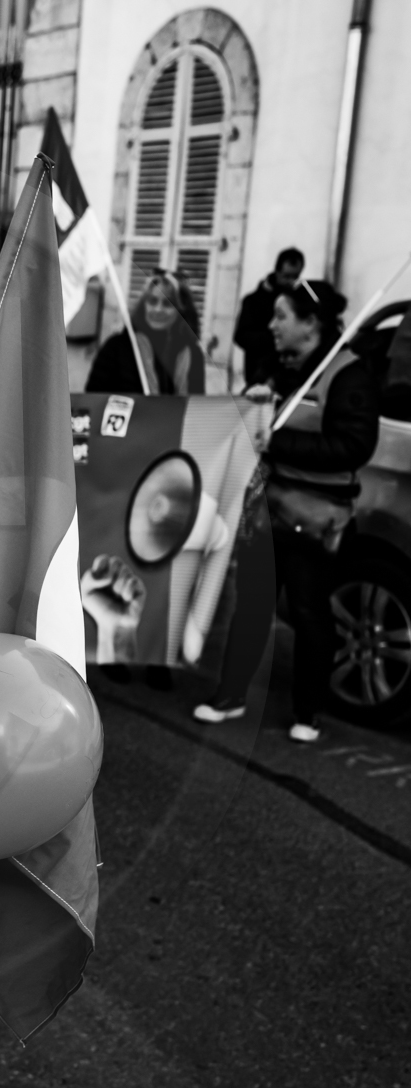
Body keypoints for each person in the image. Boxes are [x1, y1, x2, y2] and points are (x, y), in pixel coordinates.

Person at [194, 279, 380, 742]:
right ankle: (230, 696)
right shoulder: (281, 368)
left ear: (310, 323)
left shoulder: (349, 375)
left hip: (314, 520)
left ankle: (306, 713)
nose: (272, 326)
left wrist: (277, 440)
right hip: (265, 511)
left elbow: (354, 445)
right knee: (251, 606)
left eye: (281, 316)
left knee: (309, 613)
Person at [86, 268, 206, 395]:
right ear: (144, 305)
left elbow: (197, 405)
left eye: (168, 303)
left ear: (181, 310)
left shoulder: (193, 354)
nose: (158, 309)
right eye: (152, 301)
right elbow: (93, 399)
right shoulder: (116, 347)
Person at [234, 248, 304, 386]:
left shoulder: (298, 302)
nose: (291, 282)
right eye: (287, 276)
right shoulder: (253, 301)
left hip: (287, 378)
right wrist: (276, 337)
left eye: (296, 277)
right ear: (277, 272)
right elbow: (241, 336)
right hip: (259, 376)